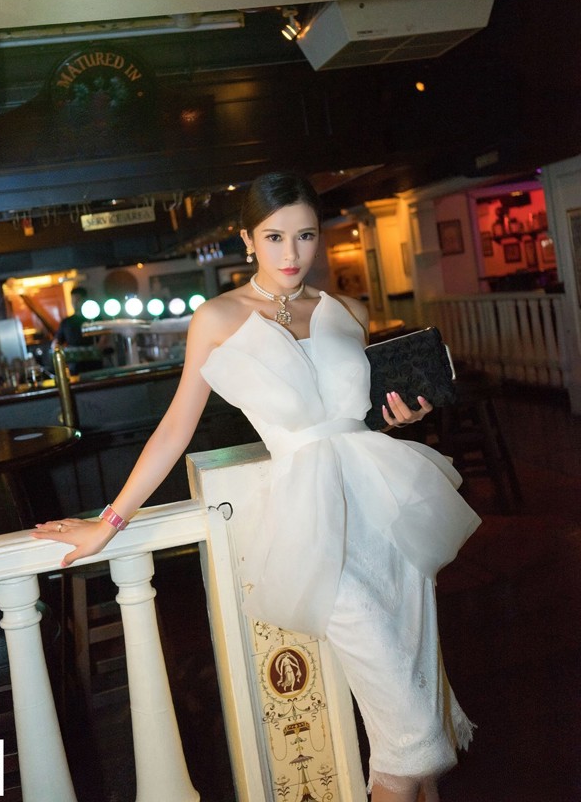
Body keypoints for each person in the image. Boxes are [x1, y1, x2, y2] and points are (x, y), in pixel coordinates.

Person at [34, 172, 481, 802]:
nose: (292, 254)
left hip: (386, 515)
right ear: (248, 239)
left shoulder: (348, 310)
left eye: (305, 235)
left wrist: (404, 414)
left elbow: (360, 412)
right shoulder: (217, 319)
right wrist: (108, 521)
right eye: (274, 237)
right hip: (316, 527)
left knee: (405, 731)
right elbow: (173, 429)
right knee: (416, 736)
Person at [53, 286, 100, 374]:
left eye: (78, 300)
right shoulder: (66, 322)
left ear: (85, 300)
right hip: (75, 367)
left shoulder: (95, 318)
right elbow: (56, 343)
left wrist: (94, 351)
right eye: (73, 301)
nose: (75, 303)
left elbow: (104, 338)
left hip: (95, 366)